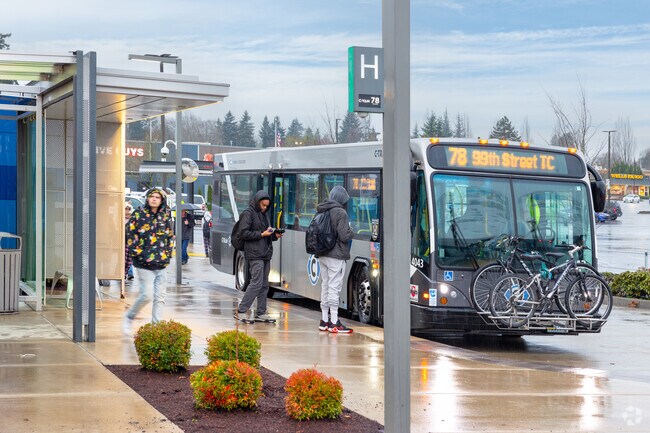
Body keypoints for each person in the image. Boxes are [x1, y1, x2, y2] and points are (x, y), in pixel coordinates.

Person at [122, 188, 175, 335]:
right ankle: (129, 317)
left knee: (160, 297)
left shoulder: (164, 217)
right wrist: (139, 254)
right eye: (152, 196)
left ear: (161, 200)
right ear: (147, 198)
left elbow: (170, 237)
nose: (154, 199)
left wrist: (167, 255)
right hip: (143, 264)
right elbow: (130, 235)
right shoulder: (138, 215)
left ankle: (156, 329)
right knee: (147, 295)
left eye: (157, 197)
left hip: (161, 264)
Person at [234, 190, 283, 324]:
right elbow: (244, 233)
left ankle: (261, 312)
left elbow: (265, 233)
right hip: (254, 254)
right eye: (263, 205)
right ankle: (241, 310)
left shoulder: (263, 215)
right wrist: (261, 234)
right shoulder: (248, 214)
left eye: (267, 206)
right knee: (256, 283)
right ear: (257, 202)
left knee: (264, 285)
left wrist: (274, 235)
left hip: (265, 253)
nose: (265, 208)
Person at [316, 185, 355, 334]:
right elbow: (344, 236)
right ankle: (334, 322)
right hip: (336, 256)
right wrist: (352, 231)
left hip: (323, 254)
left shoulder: (322, 209)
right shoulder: (341, 213)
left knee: (325, 286)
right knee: (334, 287)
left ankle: (324, 320)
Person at [123, 202, 134, 299]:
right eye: (126, 209)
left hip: (130, 243)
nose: (127, 211)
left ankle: (126, 274)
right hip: (123, 242)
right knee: (123, 259)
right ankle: (123, 275)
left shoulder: (132, 220)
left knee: (129, 261)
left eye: (128, 209)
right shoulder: (121, 219)